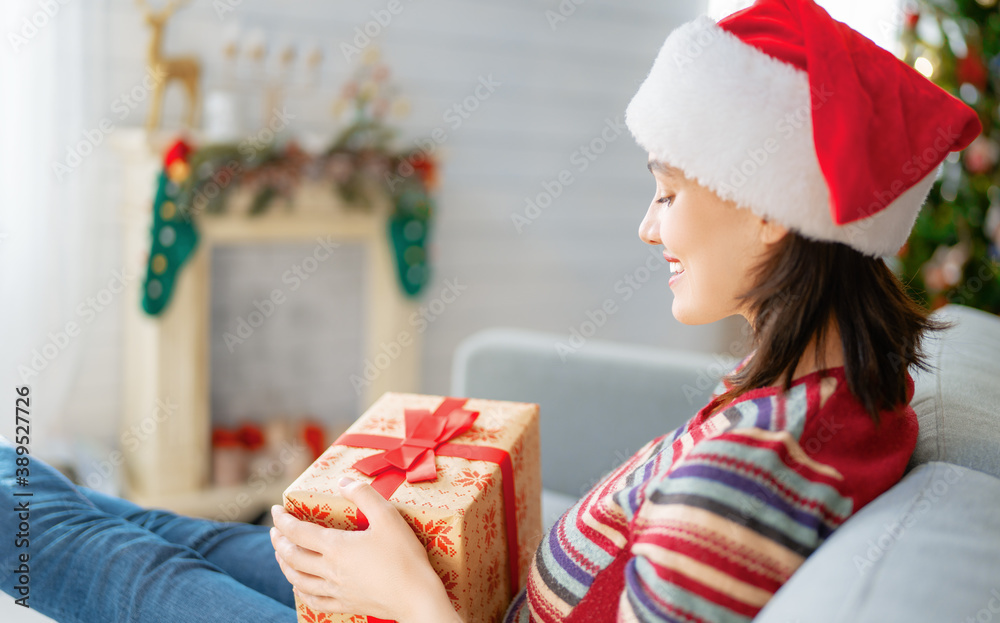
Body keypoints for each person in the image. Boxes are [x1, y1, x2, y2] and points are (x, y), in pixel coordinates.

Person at [1, 1, 981, 622]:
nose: (649, 228)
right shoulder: (835, 392)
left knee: (87, 547)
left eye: (670, 191)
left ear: (769, 212)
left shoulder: (754, 463)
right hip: (473, 602)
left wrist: (403, 589)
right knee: (144, 528)